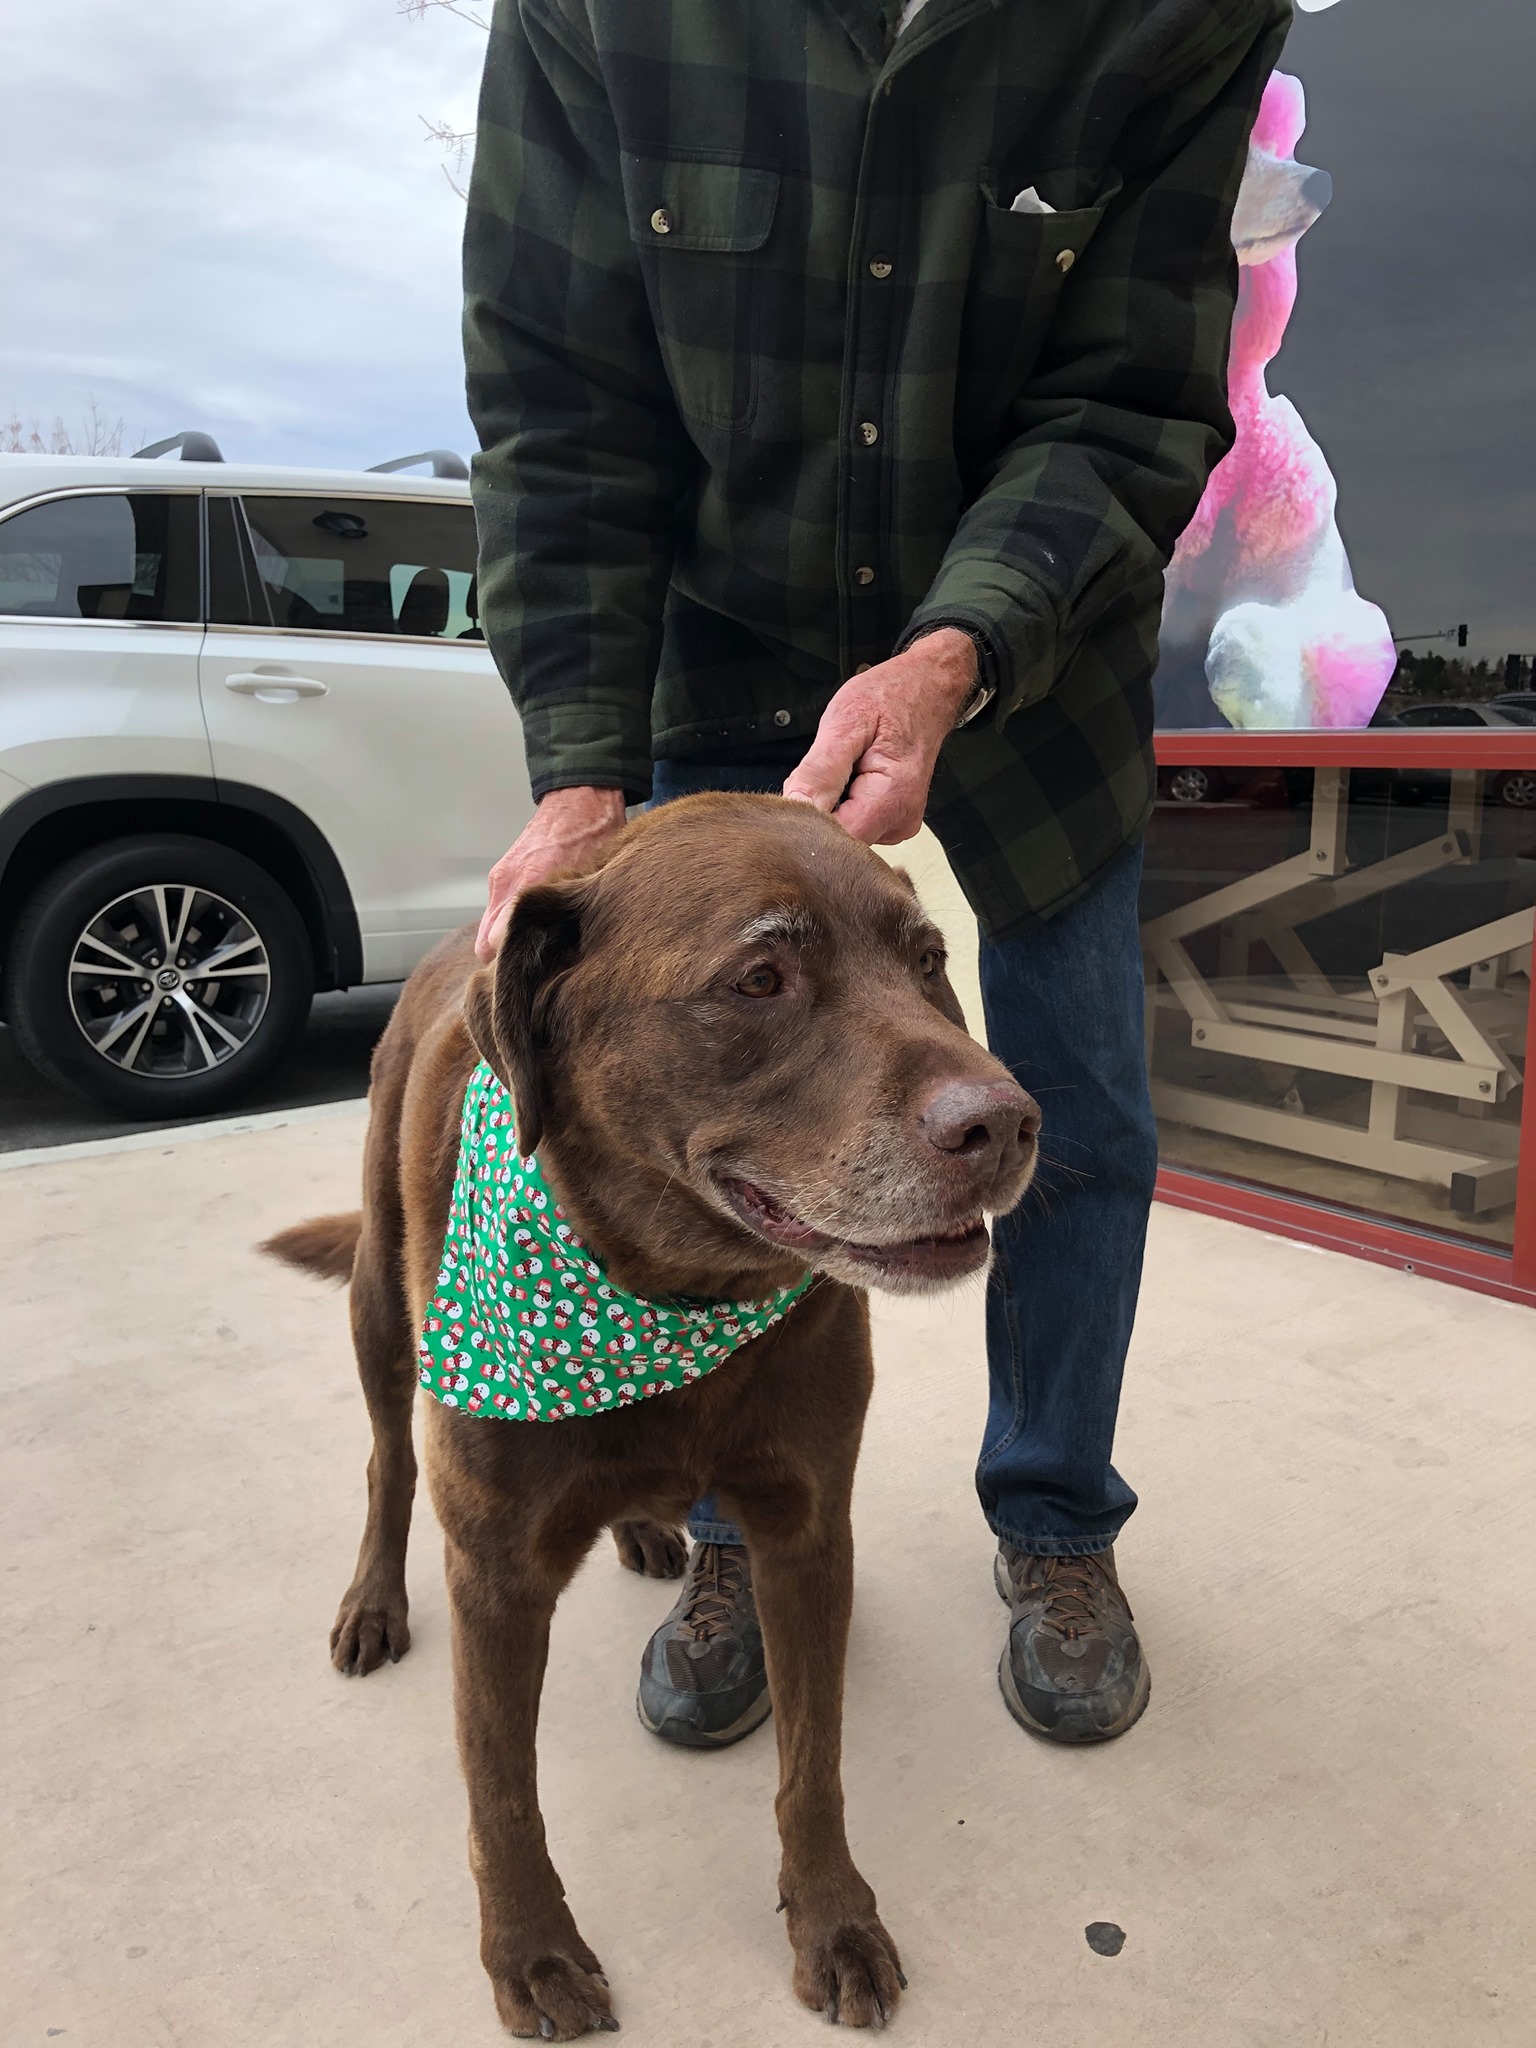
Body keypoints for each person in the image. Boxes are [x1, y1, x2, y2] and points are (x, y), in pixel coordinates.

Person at [462, 0, 1291, 1747]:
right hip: (719, 660)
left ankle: (1057, 1521)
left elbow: (1130, 400)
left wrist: (957, 648)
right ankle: (726, 1525)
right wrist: (581, 766)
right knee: (705, 1126)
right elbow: (565, 402)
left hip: (1036, 668)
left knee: (1075, 1119)